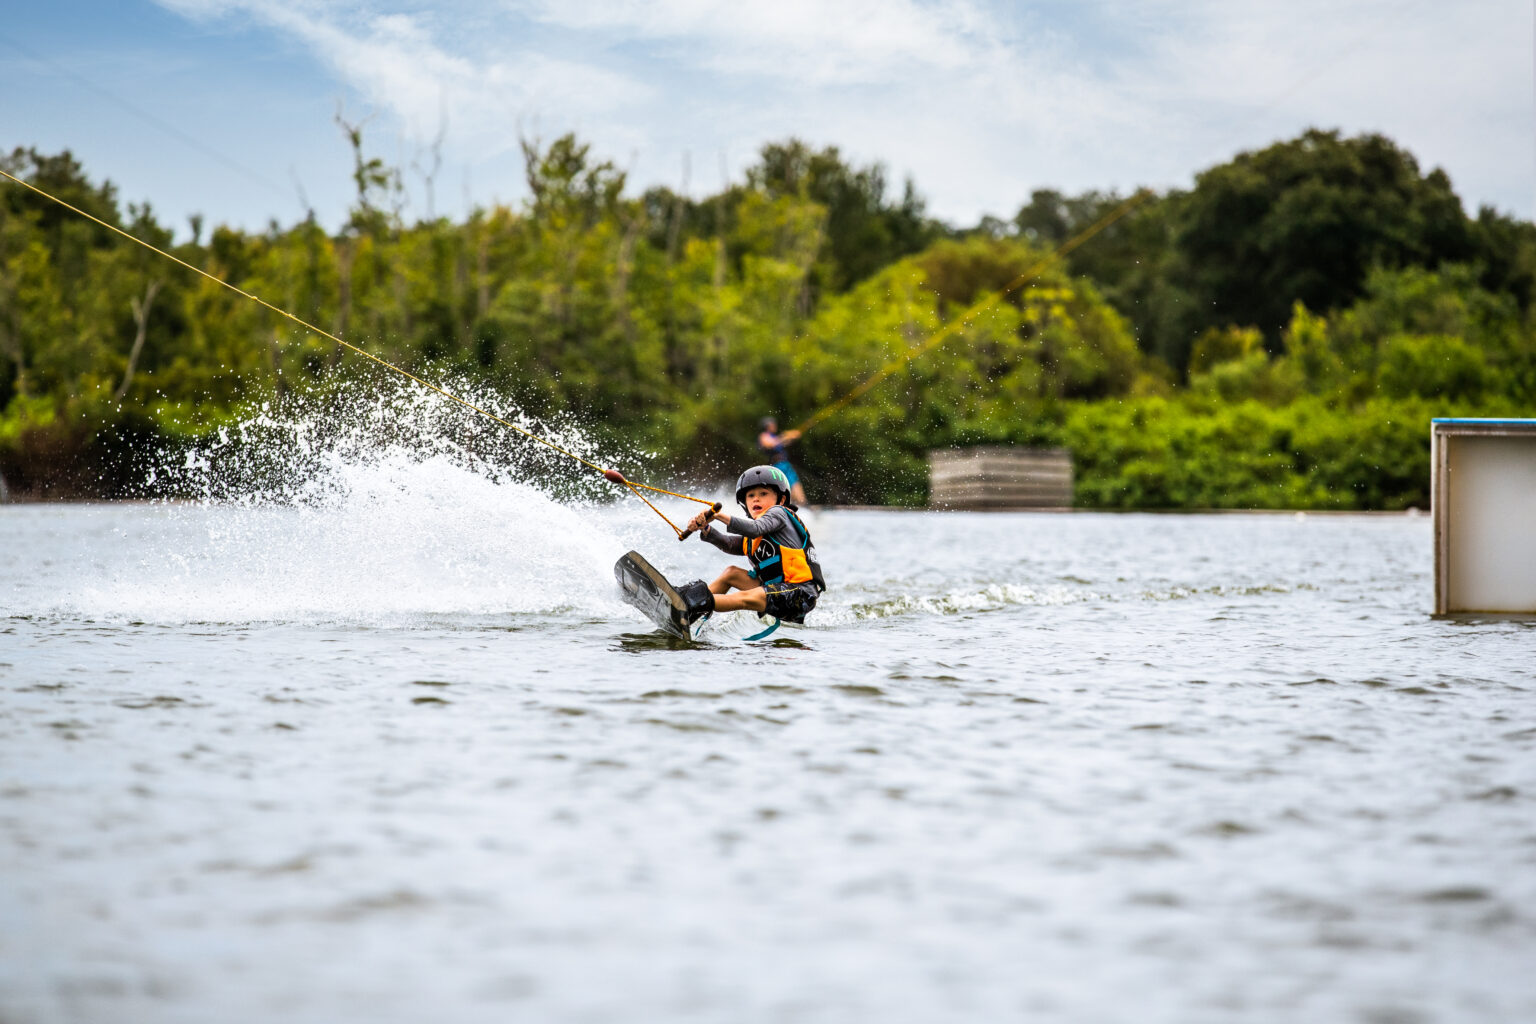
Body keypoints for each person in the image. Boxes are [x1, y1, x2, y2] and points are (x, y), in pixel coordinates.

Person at [673, 465, 826, 626]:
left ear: (780, 500)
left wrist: (717, 515)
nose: (756, 499)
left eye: (763, 494)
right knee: (731, 573)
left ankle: (689, 604)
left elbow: (755, 528)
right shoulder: (754, 536)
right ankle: (687, 615)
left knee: (743, 598)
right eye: (750, 495)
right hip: (776, 590)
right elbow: (729, 544)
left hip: (799, 595)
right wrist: (705, 528)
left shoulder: (779, 513)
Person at [757, 417, 808, 506]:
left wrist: (793, 435)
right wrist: (785, 436)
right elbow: (770, 444)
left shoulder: (775, 437)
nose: (775, 425)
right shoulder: (763, 436)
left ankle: (802, 503)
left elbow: (786, 442)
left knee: (794, 482)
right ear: (767, 426)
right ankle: (789, 504)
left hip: (785, 464)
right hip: (777, 466)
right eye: (773, 424)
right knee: (784, 486)